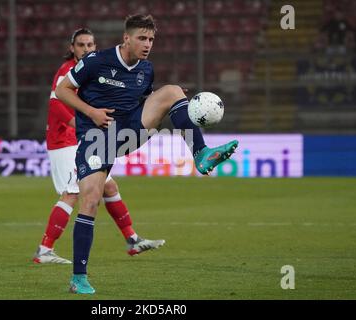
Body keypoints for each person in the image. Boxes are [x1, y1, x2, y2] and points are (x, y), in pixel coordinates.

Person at [56, 15, 238, 294]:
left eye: (151, 39)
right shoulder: (96, 61)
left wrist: (175, 103)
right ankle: (78, 277)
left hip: (130, 131)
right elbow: (62, 90)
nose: (148, 44)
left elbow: (145, 101)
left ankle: (200, 154)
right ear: (126, 38)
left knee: (173, 91)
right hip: (97, 137)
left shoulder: (146, 69)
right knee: (90, 200)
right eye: (142, 38)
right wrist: (91, 112)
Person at [33, 28, 164, 265]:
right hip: (66, 142)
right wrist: (84, 121)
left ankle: (132, 239)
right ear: (71, 48)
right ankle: (44, 249)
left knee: (109, 187)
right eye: (81, 45)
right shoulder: (67, 71)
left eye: (90, 45)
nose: (86, 49)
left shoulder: (95, 67)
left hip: (86, 141)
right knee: (74, 192)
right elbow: (56, 103)